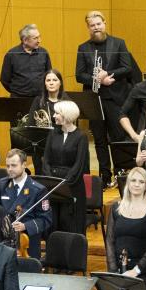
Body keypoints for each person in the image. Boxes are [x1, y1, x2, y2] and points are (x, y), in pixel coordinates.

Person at [76, 10, 140, 186]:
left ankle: (119, 173)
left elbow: (127, 68)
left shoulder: (118, 43)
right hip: (94, 100)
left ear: (104, 23)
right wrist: (96, 79)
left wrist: (108, 74)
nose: (96, 27)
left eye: (98, 24)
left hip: (115, 98)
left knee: (117, 137)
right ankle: (105, 176)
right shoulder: (83, 48)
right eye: (92, 25)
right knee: (99, 139)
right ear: (88, 28)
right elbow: (79, 75)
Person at [0, 149, 53, 263]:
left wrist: (25, 226)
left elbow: (46, 219)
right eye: (8, 166)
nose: (10, 169)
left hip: (27, 244)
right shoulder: (3, 184)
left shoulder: (38, 190)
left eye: (14, 165)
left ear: (24, 165)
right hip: (4, 242)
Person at [42, 100, 89, 235]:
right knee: (53, 222)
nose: (54, 116)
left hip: (71, 186)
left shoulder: (81, 137)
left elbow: (79, 165)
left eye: (57, 113)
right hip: (53, 185)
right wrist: (51, 180)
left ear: (67, 116)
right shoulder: (52, 134)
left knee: (68, 222)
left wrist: (64, 183)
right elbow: (46, 160)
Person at [1, 23, 52, 98]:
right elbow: (4, 79)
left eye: (39, 37)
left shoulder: (43, 53)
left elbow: (49, 74)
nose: (39, 41)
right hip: (19, 98)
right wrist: (18, 91)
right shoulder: (12, 54)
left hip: (40, 98)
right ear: (25, 40)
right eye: (35, 38)